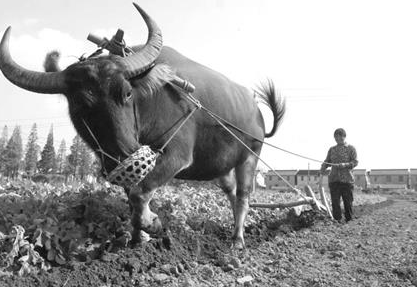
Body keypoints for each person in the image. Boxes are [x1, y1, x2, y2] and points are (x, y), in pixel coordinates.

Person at [319, 128, 358, 222]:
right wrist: (323, 167)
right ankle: (337, 221)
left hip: (347, 180)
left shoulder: (351, 148)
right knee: (335, 202)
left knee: (347, 202)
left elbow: (355, 162)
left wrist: (345, 165)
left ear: (344, 137)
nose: (337, 139)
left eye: (339, 137)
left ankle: (349, 220)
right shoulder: (332, 149)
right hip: (334, 179)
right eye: (335, 137)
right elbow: (327, 161)